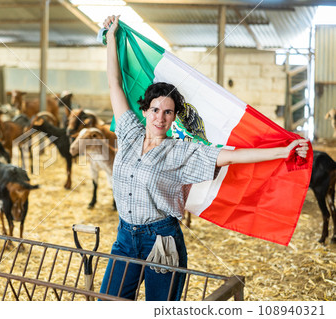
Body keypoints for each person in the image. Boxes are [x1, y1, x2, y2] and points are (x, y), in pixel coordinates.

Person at [99, 15, 309, 301]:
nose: (161, 117)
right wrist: (111, 38)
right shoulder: (128, 132)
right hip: (124, 237)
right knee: (108, 302)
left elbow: (232, 157)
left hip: (161, 240)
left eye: (168, 112)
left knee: (160, 309)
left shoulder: (182, 151)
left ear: (175, 117)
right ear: (145, 111)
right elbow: (114, 83)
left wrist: (282, 152)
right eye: (155, 110)